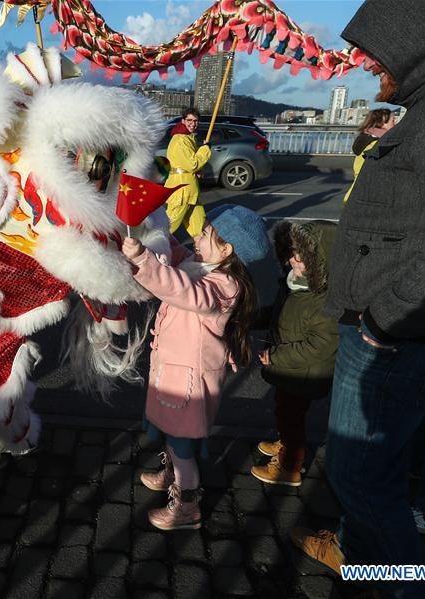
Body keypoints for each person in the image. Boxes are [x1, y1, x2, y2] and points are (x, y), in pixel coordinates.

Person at [291, 1, 425, 597]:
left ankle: (406, 584)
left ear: (413, 33)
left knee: (360, 473)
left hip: (405, 335)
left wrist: (388, 318)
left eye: (376, 48)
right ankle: (397, 545)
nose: (368, 64)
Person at [122, 204, 270, 531]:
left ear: (227, 249)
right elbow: (175, 258)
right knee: (170, 430)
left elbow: (183, 290)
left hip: (190, 378)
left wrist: (143, 259)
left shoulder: (224, 285)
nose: (196, 235)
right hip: (175, 370)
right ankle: (171, 473)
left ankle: (187, 504)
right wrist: (155, 231)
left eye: (205, 233)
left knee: (182, 442)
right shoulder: (200, 263)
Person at [253, 221, 338, 487]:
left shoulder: (323, 300)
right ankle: (287, 443)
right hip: (290, 368)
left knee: (292, 416)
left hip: (303, 372)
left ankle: (290, 466)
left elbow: (320, 345)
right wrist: (251, 317)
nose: (292, 261)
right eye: (291, 255)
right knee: (286, 412)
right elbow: (277, 313)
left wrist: (277, 357)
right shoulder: (294, 284)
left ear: (319, 260)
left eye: (300, 258)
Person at [164, 108, 212, 237]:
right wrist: (205, 149)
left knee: (199, 226)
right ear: (183, 121)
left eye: (196, 121)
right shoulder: (181, 140)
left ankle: (203, 250)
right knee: (168, 227)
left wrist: (196, 172)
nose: (193, 123)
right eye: (189, 120)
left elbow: (188, 165)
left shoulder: (187, 138)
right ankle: (149, 250)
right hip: (182, 189)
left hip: (190, 189)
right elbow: (192, 164)